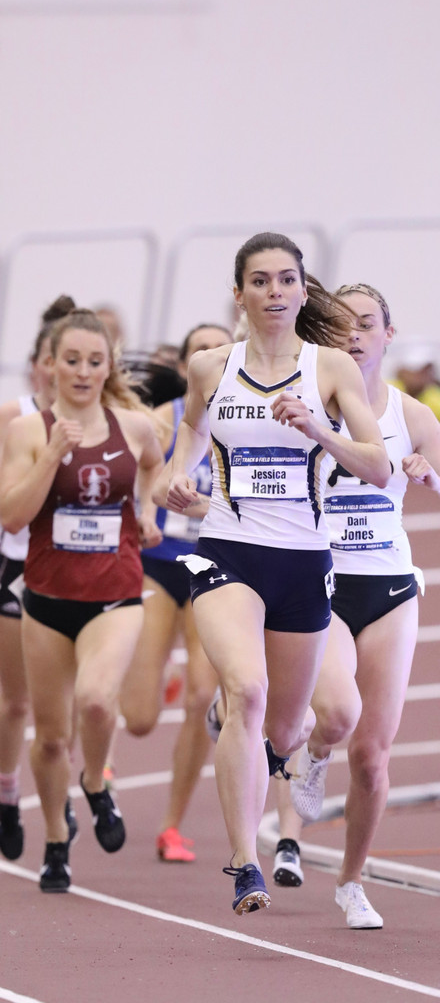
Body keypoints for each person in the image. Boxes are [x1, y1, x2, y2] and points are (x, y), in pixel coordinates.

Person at [159, 232, 390, 915]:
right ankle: (243, 862)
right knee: (247, 688)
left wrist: (318, 430)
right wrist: (178, 476)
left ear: (301, 290)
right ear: (239, 294)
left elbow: (375, 467)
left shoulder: (330, 370)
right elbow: (193, 436)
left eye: (285, 280)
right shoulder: (210, 368)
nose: (273, 293)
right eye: (259, 281)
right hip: (225, 549)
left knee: (285, 732)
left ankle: (236, 723)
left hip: (303, 561)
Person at [273, 282, 440, 928]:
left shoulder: (411, 415)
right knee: (335, 714)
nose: (354, 334)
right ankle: (314, 754)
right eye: (341, 325)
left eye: (367, 324)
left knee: (374, 756)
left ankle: (351, 882)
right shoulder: (298, 404)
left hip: (388, 586)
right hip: (321, 584)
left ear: (387, 335)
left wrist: (428, 476)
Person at [0, 309, 164, 893]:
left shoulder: (135, 427)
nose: (83, 372)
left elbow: (154, 466)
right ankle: (53, 840)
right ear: (51, 365)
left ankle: (95, 782)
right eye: (71, 360)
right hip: (46, 598)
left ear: (108, 366)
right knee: (48, 738)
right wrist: (52, 454)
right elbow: (13, 515)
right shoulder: (26, 431)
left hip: (116, 592)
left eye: (95, 362)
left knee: (96, 701)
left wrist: (146, 511)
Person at [120, 322, 232, 863]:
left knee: (198, 701)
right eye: (199, 351)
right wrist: (148, 511)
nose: (211, 358)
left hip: (214, 569)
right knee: (139, 717)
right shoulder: (160, 422)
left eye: (220, 348)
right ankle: (148, 681)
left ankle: (171, 826)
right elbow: (142, 485)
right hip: (159, 564)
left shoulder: (245, 425)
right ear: (187, 364)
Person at [0, 320, 61, 859]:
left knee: (69, 701)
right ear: (38, 364)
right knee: (18, 701)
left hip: (78, 573)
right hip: (16, 564)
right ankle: (6, 790)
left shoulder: (103, 423)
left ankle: (79, 793)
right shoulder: (14, 418)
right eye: (54, 357)